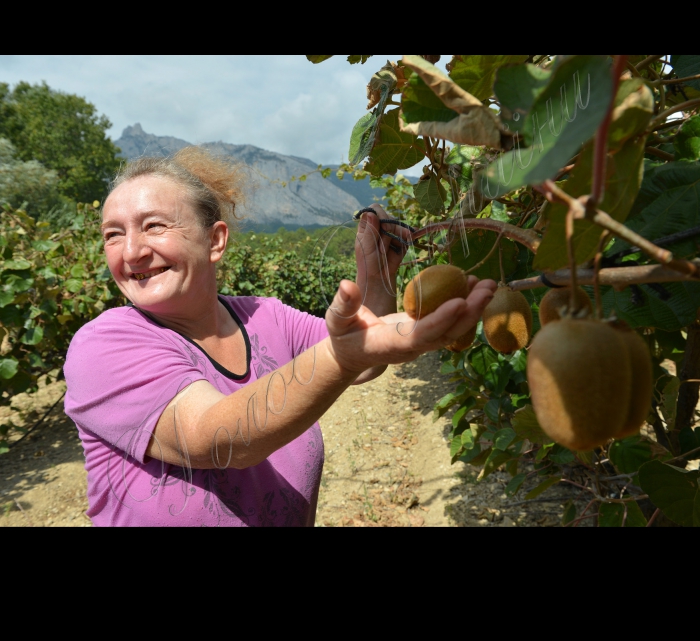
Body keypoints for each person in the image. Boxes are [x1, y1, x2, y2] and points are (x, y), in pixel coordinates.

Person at [64, 146, 496, 526]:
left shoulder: (265, 315)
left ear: (215, 241)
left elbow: (366, 359)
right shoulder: (101, 346)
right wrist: (341, 358)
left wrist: (378, 275)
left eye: (154, 226)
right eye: (113, 235)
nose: (132, 251)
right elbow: (217, 438)